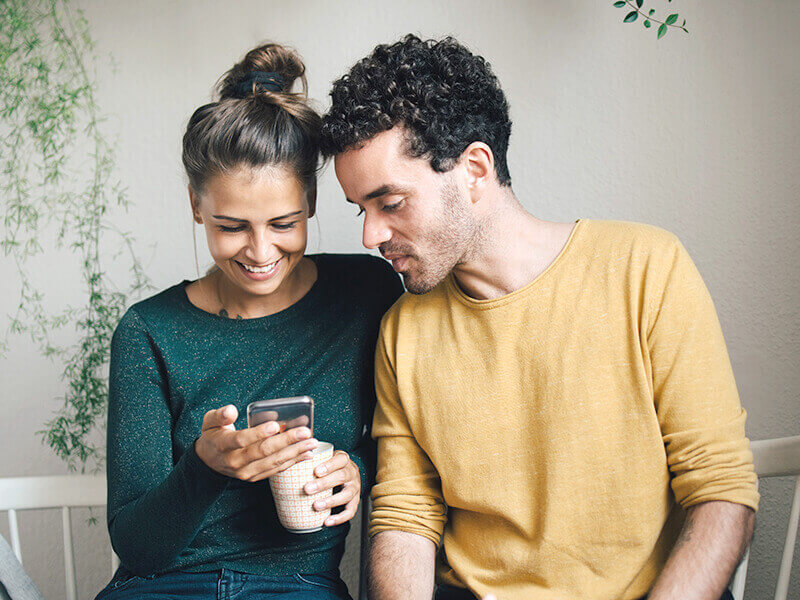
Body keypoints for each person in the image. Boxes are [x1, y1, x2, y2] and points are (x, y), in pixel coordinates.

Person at [319, 35, 759, 600]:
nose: (370, 235)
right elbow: (407, 515)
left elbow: (721, 489)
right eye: (362, 209)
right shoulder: (404, 330)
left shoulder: (645, 268)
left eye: (391, 203)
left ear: (474, 169)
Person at [96, 43, 403, 600]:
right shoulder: (147, 332)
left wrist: (356, 467)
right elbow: (138, 548)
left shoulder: (367, 296)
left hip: (298, 584)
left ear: (311, 198)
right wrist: (205, 467)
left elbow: (407, 440)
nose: (261, 252)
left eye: (283, 222)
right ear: (196, 205)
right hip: (163, 586)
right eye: (232, 226)